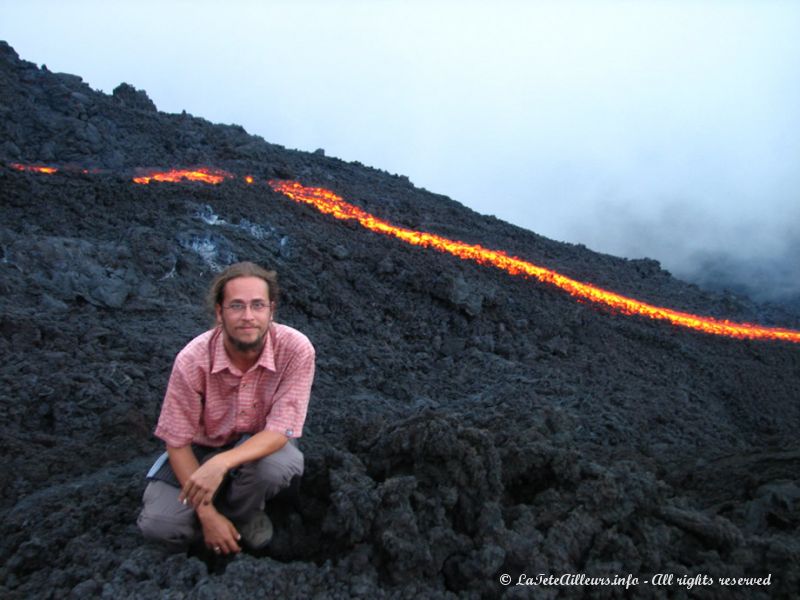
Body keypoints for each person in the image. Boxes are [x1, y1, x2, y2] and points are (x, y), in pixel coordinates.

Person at [137, 262, 315, 555]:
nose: (248, 317)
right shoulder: (192, 360)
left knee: (279, 465)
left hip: (258, 447)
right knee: (160, 525)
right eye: (236, 306)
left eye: (257, 306)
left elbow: (280, 430)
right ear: (219, 312)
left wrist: (221, 464)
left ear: (271, 310)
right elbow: (177, 441)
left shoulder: (296, 350)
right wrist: (207, 516)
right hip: (200, 448)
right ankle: (210, 522)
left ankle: (240, 515)